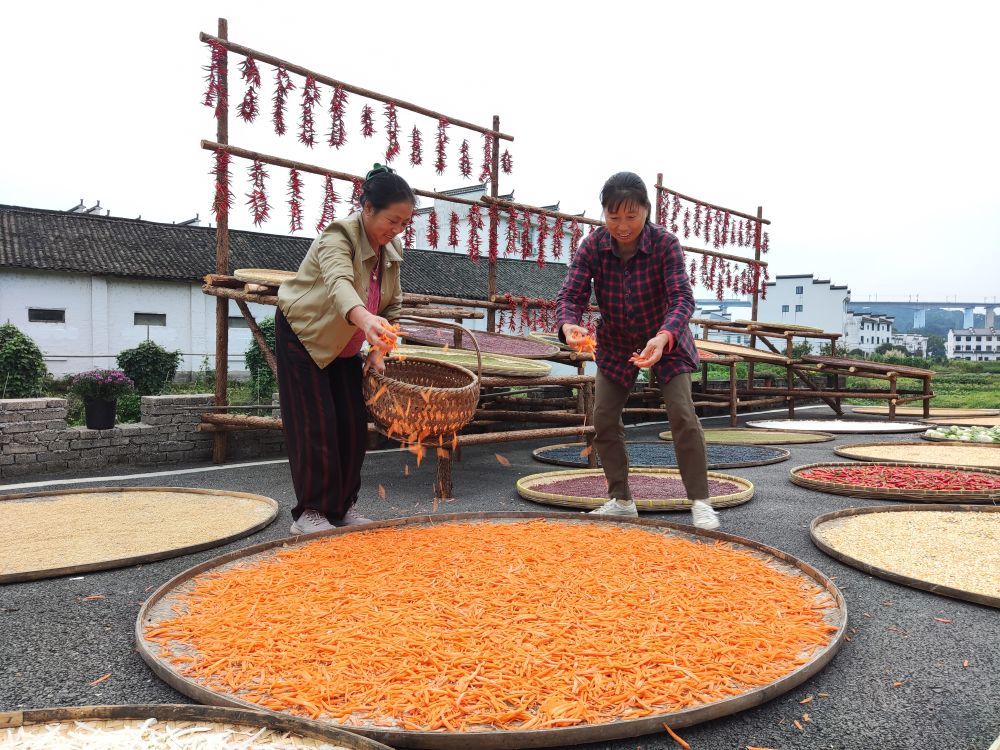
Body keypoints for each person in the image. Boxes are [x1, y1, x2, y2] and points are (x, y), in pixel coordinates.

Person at [556, 171, 719, 530]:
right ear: (604, 215)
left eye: (631, 216)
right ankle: (621, 500)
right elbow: (571, 295)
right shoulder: (593, 246)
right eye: (613, 217)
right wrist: (569, 324)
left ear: (646, 210)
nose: (622, 226)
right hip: (616, 342)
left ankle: (700, 502)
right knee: (603, 418)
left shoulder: (665, 244)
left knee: (681, 413)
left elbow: (681, 298)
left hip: (666, 338)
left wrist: (663, 337)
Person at [276, 164, 415, 534]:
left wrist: (378, 350)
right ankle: (312, 513)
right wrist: (367, 321)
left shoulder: (391, 249)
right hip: (306, 334)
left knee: (352, 425)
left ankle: (342, 507)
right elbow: (339, 284)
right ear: (368, 208)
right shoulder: (338, 235)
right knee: (316, 423)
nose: (397, 229)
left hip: (348, 342)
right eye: (393, 220)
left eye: (404, 223)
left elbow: (393, 307)